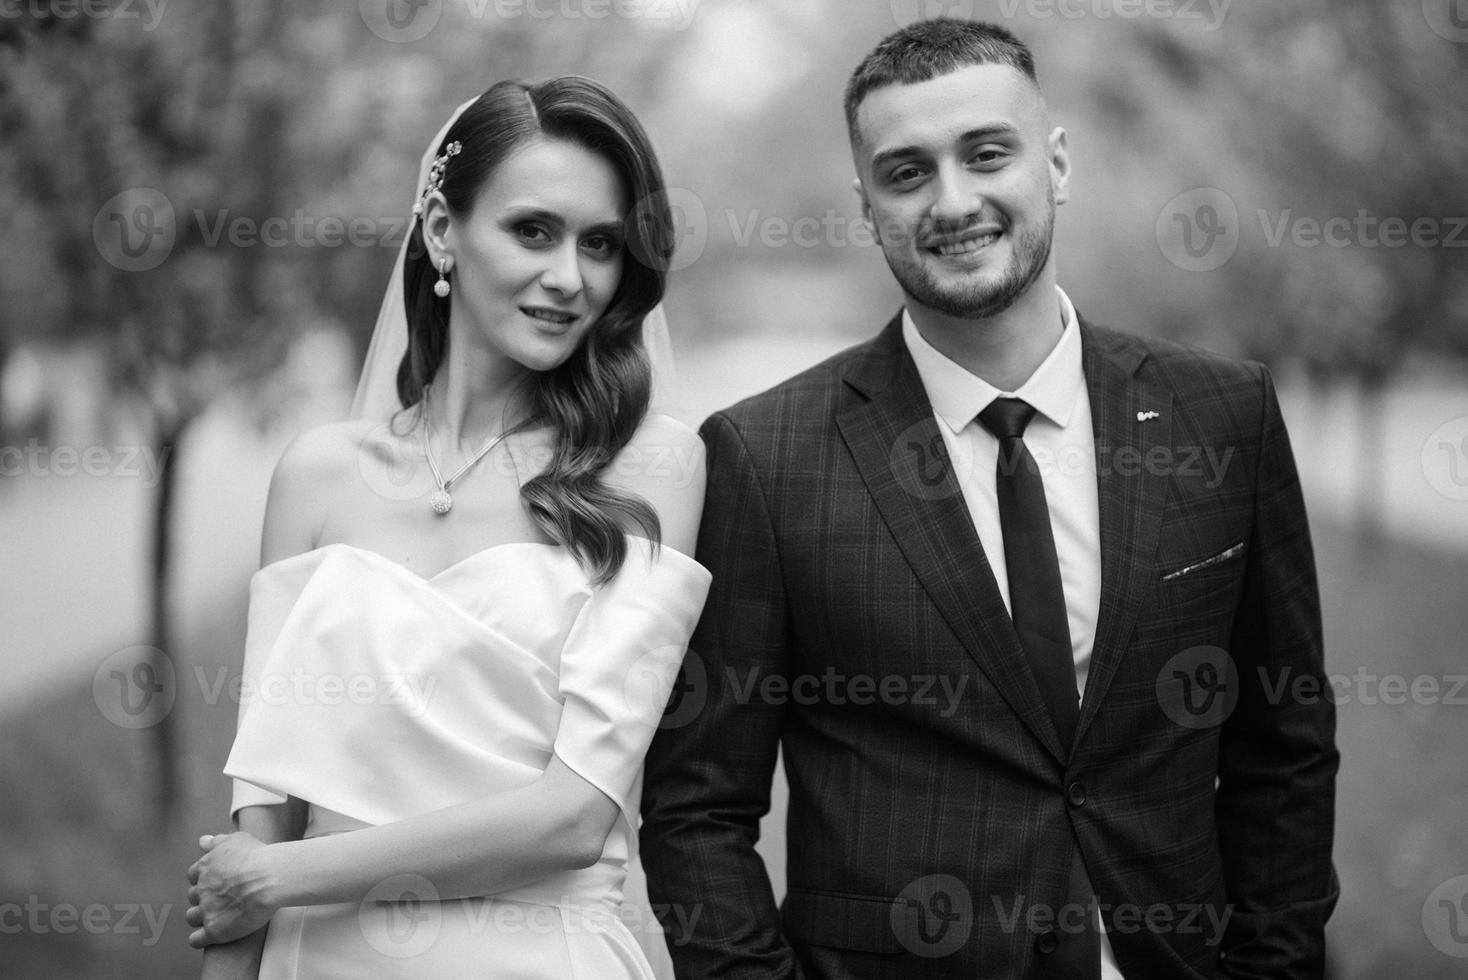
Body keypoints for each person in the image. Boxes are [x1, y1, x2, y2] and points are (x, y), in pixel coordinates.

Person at [640, 19, 1338, 980]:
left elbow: (1284, 745)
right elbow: (700, 808)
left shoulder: (1223, 417)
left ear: (1055, 163)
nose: (952, 200)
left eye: (986, 154)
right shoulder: (765, 459)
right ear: (866, 204)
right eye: (907, 171)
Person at [186, 76, 709, 980]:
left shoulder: (647, 468)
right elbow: (263, 798)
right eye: (533, 230)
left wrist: (277, 878)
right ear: (442, 232)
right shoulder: (317, 474)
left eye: (601, 244)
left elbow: (574, 818)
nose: (569, 277)